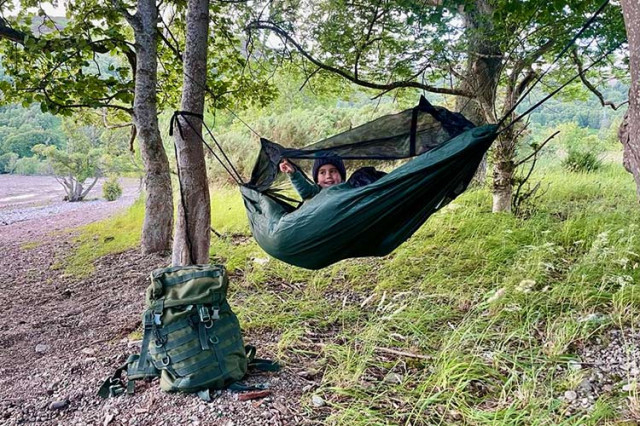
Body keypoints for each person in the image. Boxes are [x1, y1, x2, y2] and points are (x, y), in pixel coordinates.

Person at [279, 153, 347, 200]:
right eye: (322, 172)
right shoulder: (316, 192)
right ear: (317, 180)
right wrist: (293, 173)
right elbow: (305, 191)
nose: (328, 176)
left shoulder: (349, 192)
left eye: (332, 171)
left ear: (341, 176)